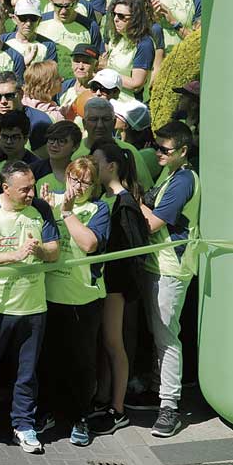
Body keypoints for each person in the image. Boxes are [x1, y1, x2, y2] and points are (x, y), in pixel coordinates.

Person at [0, 161, 59, 454]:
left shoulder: (41, 209)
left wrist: (39, 250)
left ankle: (24, 424)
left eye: (31, 187)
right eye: (24, 189)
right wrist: (15, 255)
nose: (31, 194)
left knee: (27, 372)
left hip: (33, 307)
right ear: (5, 188)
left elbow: (54, 251)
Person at [132, 121, 199, 438]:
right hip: (156, 266)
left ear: (183, 151)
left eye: (164, 149)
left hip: (171, 269)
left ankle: (169, 408)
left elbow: (153, 222)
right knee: (158, 335)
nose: (157, 152)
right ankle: (159, 389)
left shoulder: (184, 179)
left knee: (167, 339)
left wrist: (129, 197)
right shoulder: (170, 172)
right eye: (156, 146)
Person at [38, 157, 110, 447]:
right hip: (49, 295)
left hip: (83, 297)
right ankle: (48, 413)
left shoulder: (99, 208)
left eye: (84, 181)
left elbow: (89, 244)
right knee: (48, 359)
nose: (77, 186)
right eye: (73, 178)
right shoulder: (51, 200)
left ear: (93, 186)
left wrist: (67, 213)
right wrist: (45, 208)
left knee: (81, 361)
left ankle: (80, 417)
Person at [89, 141, 149, 436]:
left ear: (111, 166)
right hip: (103, 283)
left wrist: (124, 290)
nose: (91, 166)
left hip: (116, 285)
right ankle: (102, 397)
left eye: (96, 162)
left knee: (114, 343)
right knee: (104, 343)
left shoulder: (125, 204)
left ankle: (118, 408)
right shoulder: (105, 198)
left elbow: (133, 252)